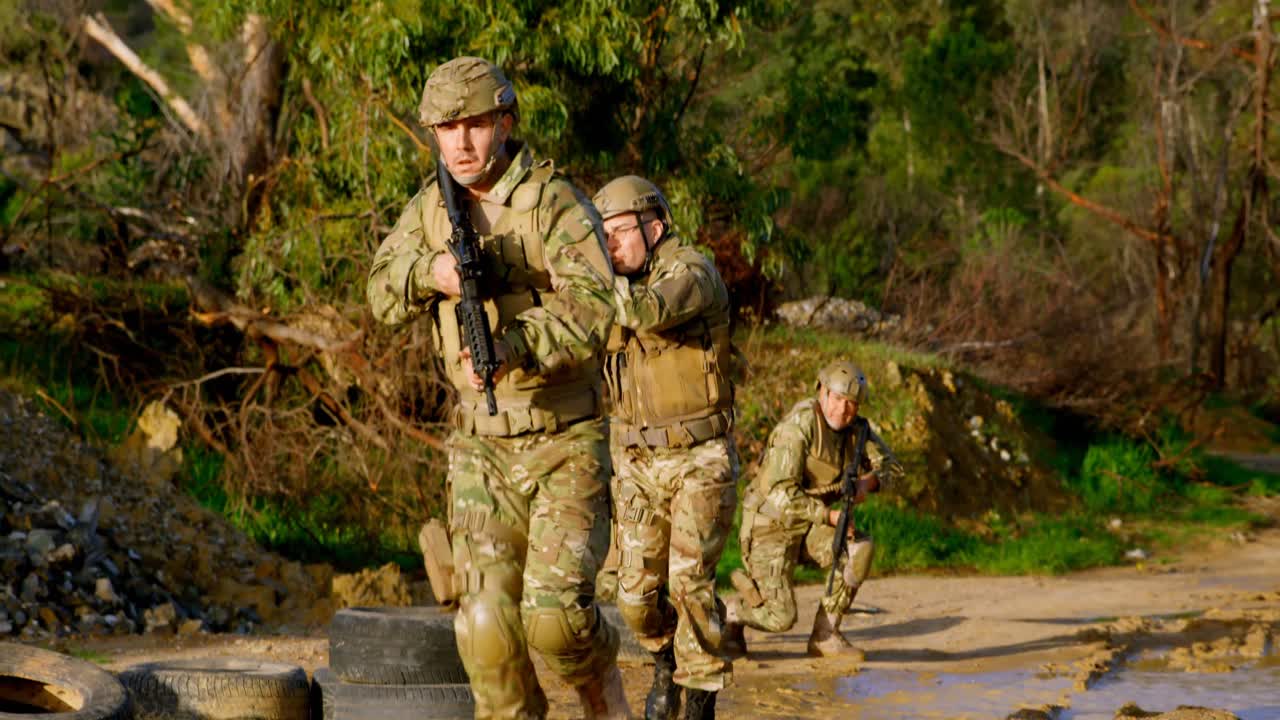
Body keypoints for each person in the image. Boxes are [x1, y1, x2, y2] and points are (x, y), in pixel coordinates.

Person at [367, 57, 629, 720]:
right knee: (484, 627)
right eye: (445, 128)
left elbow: (598, 307)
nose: (460, 142)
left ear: (505, 123)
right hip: (481, 447)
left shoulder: (554, 203)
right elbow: (379, 292)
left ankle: (600, 681)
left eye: (475, 125)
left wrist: (515, 346)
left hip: (565, 439)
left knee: (556, 622)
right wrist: (430, 272)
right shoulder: (430, 208)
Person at [594, 176, 737, 720]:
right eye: (602, 235)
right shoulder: (616, 288)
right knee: (633, 599)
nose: (609, 245)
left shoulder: (692, 272)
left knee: (688, 583)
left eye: (619, 232)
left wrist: (590, 277)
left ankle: (699, 699)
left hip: (699, 458)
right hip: (635, 462)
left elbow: (648, 312)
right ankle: (665, 658)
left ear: (654, 229)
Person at [724, 361, 903, 660]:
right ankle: (731, 612)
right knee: (780, 617)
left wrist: (868, 483)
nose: (843, 410)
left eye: (851, 403)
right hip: (770, 526)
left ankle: (826, 635)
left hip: (809, 526)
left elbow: (894, 469)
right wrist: (828, 516)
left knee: (858, 548)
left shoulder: (858, 431)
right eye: (838, 398)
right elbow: (780, 491)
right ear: (822, 392)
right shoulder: (798, 427)